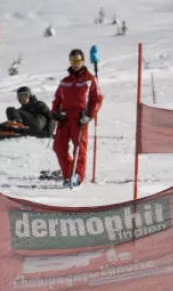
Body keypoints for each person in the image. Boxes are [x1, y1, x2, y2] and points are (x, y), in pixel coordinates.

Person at [51, 48, 104, 188]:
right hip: (65, 118)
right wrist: (55, 112)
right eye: (73, 60)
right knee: (58, 147)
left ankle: (77, 175)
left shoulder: (89, 79)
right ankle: (68, 173)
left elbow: (97, 99)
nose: (75, 64)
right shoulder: (65, 81)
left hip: (80, 119)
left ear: (83, 61)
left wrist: (89, 115)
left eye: (78, 61)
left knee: (79, 148)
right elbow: (57, 99)